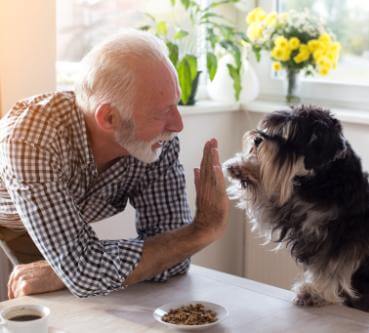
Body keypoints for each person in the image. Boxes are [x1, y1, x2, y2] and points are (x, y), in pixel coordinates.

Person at [0, 30, 229, 299]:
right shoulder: (32, 138)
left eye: (175, 104)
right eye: (161, 112)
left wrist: (67, 270)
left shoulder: (156, 141)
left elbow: (175, 259)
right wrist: (202, 230)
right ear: (109, 118)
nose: (177, 125)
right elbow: (86, 274)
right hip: (9, 220)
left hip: (61, 218)